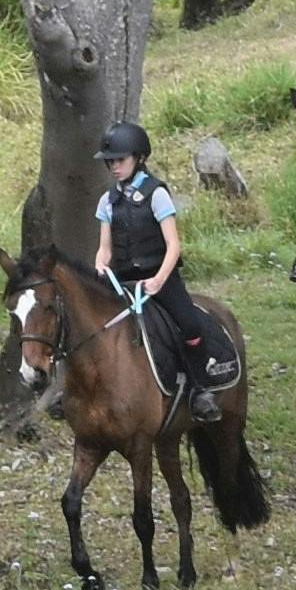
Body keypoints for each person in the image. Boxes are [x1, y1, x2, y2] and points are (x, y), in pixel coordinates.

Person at [93, 121, 207, 397]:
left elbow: (173, 245)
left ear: (139, 158)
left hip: (159, 277)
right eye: (110, 162)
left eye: (120, 160)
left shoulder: (157, 194)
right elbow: (105, 248)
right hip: (124, 281)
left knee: (190, 325)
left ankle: (200, 388)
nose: (114, 167)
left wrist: (158, 281)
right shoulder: (107, 201)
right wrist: (100, 264)